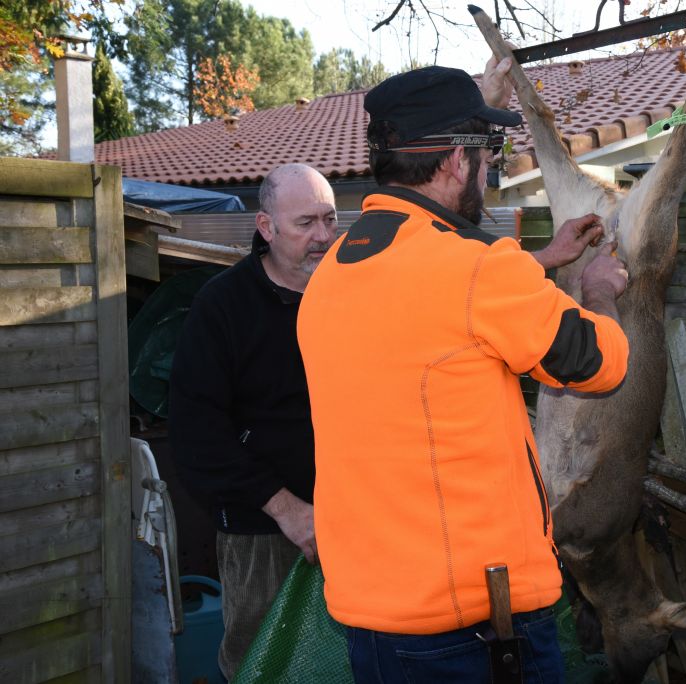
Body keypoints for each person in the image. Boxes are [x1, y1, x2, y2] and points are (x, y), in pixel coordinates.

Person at [296, 62, 631, 683]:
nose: (493, 166)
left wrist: (539, 260)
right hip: (473, 632)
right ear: (456, 160)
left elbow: (432, 313)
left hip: (374, 623)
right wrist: (597, 292)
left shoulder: (333, 273)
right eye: (490, 150)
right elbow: (600, 364)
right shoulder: (477, 268)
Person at [169, 163, 336, 680]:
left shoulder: (348, 292)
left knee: (344, 662)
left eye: (330, 220)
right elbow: (197, 432)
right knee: (263, 664)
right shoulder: (223, 304)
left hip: (354, 521)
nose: (323, 237)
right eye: (306, 222)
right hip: (263, 533)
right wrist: (286, 509)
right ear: (266, 227)